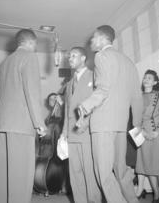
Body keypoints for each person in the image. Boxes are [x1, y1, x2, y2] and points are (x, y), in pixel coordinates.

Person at [78, 25, 143, 203]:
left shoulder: (102, 56)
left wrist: (85, 106)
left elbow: (103, 89)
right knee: (121, 171)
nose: (91, 41)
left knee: (104, 174)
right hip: (121, 125)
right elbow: (137, 97)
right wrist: (137, 126)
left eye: (93, 37)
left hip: (103, 125)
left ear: (102, 39)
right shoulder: (129, 62)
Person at [0, 29, 47, 203]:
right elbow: (32, 91)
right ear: (31, 42)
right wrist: (39, 123)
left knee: (4, 173)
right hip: (21, 125)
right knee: (21, 174)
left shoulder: (4, 63)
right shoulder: (29, 57)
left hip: (2, 124)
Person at [61, 47, 102, 203]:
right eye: (69, 56)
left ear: (83, 58)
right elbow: (67, 109)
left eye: (73, 55)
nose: (70, 58)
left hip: (87, 131)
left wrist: (87, 121)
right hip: (72, 133)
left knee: (89, 173)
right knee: (75, 173)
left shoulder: (94, 75)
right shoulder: (69, 83)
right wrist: (64, 131)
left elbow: (99, 102)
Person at [135, 69, 159, 203]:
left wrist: (158, 131)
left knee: (158, 165)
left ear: (155, 82)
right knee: (147, 165)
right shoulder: (138, 96)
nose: (146, 79)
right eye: (145, 77)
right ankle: (156, 194)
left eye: (149, 78)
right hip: (142, 134)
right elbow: (136, 118)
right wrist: (141, 131)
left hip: (157, 133)